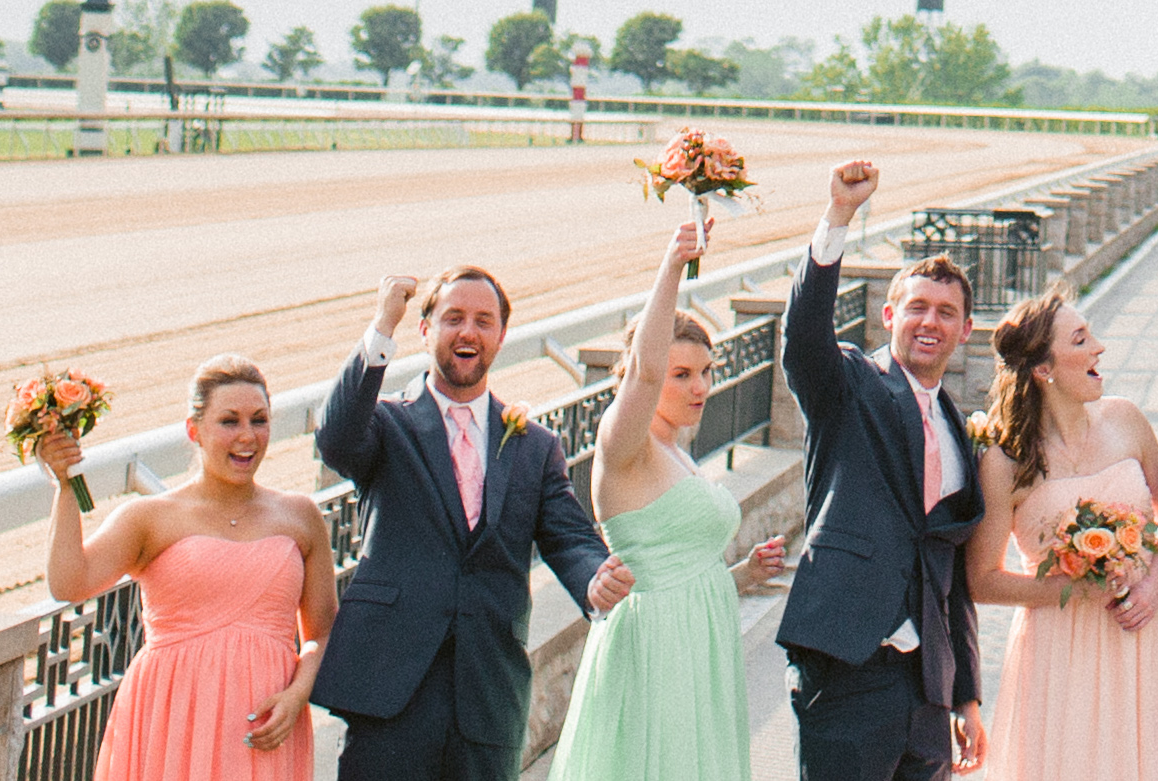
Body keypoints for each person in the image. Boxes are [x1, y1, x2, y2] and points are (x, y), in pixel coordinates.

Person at [315, 265, 634, 781]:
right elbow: (334, 439)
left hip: (486, 698)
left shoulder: (535, 446)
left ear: (501, 337)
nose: (468, 332)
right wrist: (380, 327)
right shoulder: (387, 425)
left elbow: (570, 537)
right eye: (453, 318)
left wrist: (596, 579)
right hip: (389, 691)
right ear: (426, 331)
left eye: (484, 321)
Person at [22, 355, 339, 781]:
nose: (248, 436)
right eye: (229, 421)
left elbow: (321, 630)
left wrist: (298, 694)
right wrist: (64, 486)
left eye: (259, 420)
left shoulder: (300, 516)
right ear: (195, 430)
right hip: (170, 719)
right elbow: (69, 582)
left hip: (263, 725)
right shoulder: (150, 517)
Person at [785, 158, 999, 781]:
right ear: (889, 317)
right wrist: (838, 218)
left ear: (963, 332)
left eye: (946, 313)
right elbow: (803, 337)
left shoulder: (962, 431)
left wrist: (965, 695)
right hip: (847, 667)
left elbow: (950, 571)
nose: (929, 322)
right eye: (917, 308)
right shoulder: (849, 385)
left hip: (926, 691)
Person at [973, 282, 1158, 781]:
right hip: (1060, 649)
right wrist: (1071, 588)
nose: (1099, 347)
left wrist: (1153, 582)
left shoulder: (1126, 419)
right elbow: (982, 580)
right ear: (1043, 369)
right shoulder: (1004, 463)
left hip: (1147, 630)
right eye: (1081, 340)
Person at [548, 215, 752, 781]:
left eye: (707, 372)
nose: (701, 387)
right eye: (681, 374)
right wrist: (674, 264)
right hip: (655, 649)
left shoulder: (678, 452)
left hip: (699, 649)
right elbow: (641, 372)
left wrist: (744, 576)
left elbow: (683, 567)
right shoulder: (624, 445)